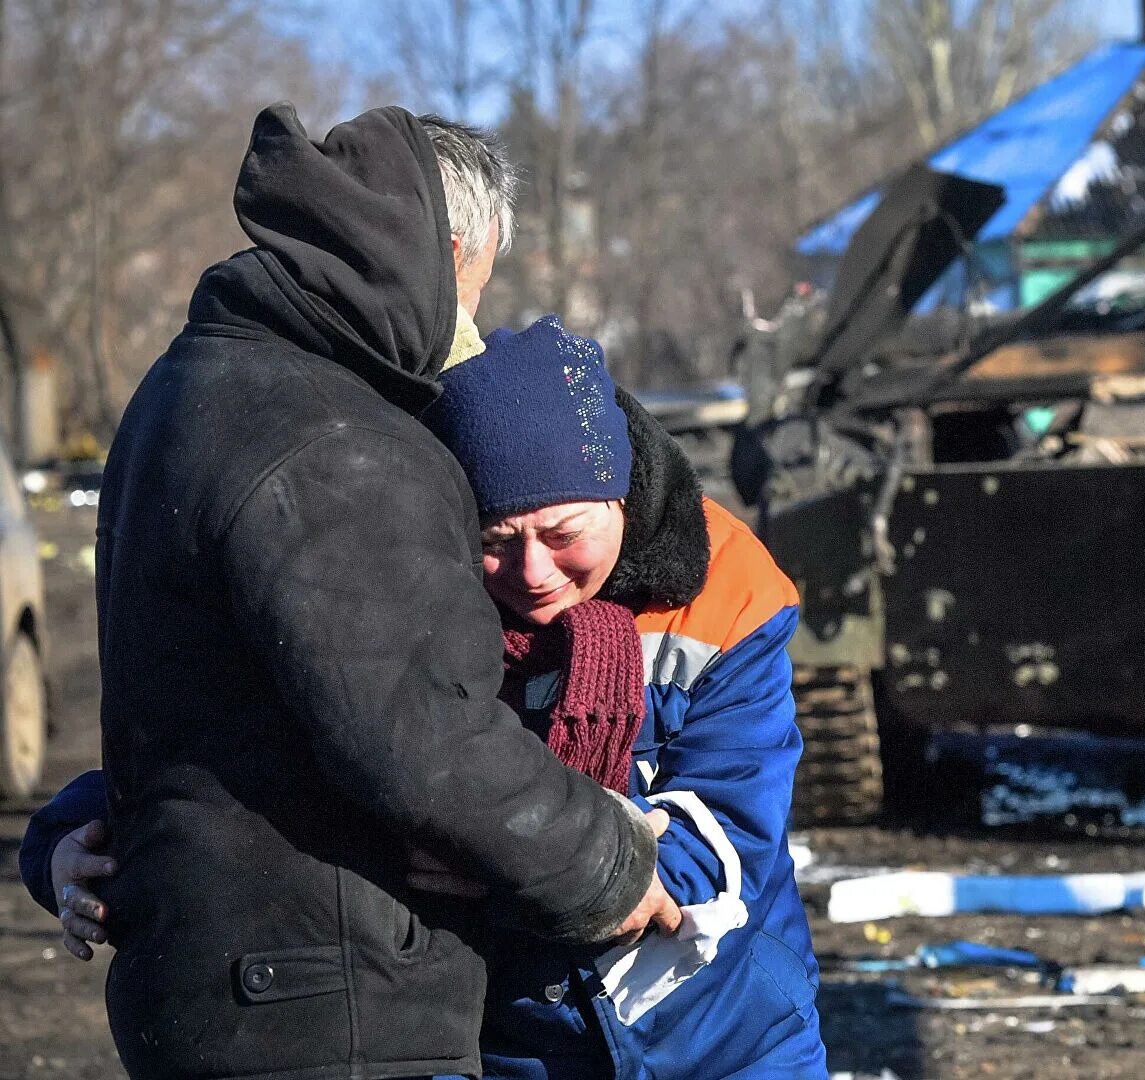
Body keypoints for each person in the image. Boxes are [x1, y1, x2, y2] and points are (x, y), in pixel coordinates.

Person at [19, 104, 667, 1080]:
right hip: (323, 1003)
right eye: (475, 289)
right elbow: (420, 731)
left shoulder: (194, 385)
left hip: (220, 982)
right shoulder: (339, 437)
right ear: (444, 255)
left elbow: (208, 697)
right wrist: (607, 864)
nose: (472, 329)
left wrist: (63, 829)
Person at [31, 317, 829, 1079]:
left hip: (732, 1035)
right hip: (506, 1047)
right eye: (492, 542)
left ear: (619, 492)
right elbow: (238, 753)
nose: (534, 574)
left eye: (563, 533)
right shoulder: (399, 597)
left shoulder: (729, 590)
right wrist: (69, 837)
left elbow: (732, 833)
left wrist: (518, 861)